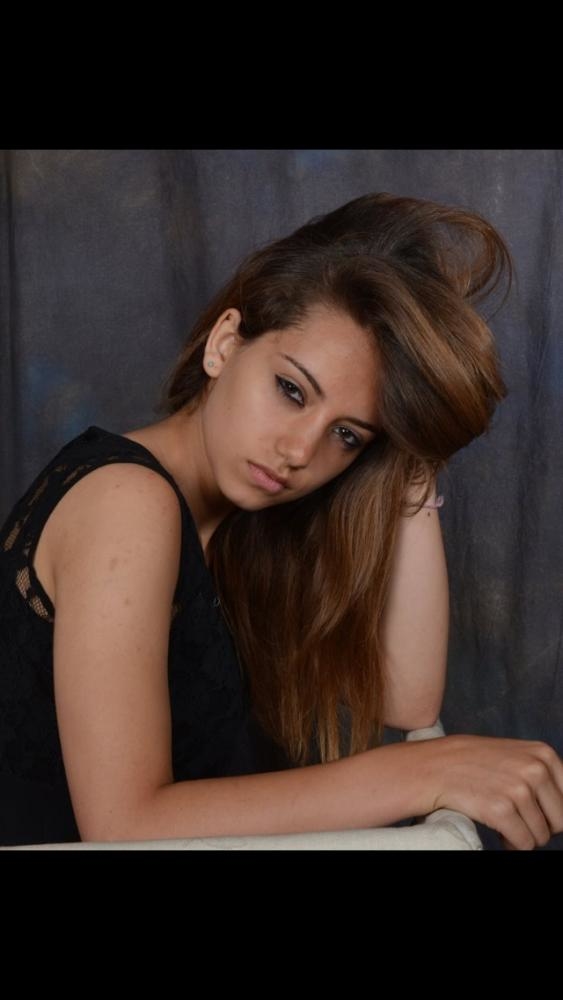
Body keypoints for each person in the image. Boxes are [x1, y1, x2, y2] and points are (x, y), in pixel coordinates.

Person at [1, 191, 562, 851]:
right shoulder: (128, 501)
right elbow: (124, 825)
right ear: (224, 344)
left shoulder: (243, 525)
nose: (299, 452)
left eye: (346, 435)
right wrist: (424, 772)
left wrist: (408, 449)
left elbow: (406, 700)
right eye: (291, 390)